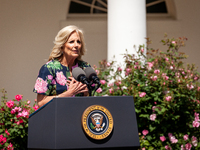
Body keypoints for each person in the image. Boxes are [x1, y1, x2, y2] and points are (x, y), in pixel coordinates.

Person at [33, 25, 90, 108]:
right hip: (56, 118)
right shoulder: (49, 68)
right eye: (71, 42)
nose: (76, 45)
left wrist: (86, 92)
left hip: (80, 117)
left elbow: (91, 98)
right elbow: (41, 102)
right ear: (62, 46)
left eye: (78, 42)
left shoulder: (85, 67)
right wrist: (68, 94)